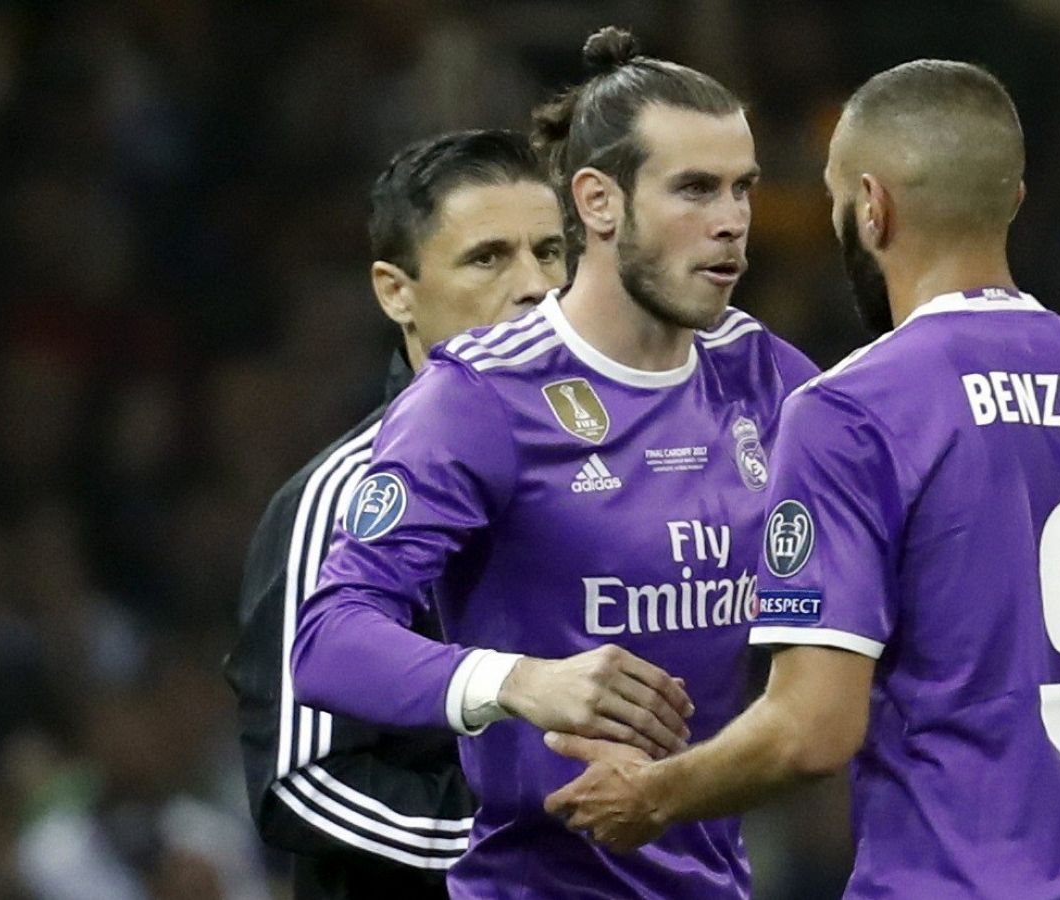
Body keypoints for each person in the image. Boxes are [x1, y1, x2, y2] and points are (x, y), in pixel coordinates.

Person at [545, 60, 1060, 898]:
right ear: (1012, 200)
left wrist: (655, 797)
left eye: (841, 202)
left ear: (872, 208)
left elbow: (812, 730)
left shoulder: (853, 410)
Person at [289, 27, 818, 900]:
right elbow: (328, 639)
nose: (731, 222)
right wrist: (520, 682)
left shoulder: (762, 376)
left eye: (742, 189)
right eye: (694, 189)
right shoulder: (479, 400)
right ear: (599, 203)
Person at [224, 128, 576, 897]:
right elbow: (305, 780)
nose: (534, 287)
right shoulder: (346, 494)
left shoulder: (608, 470)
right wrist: (524, 844)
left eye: (550, 252)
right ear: (396, 291)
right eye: (489, 258)